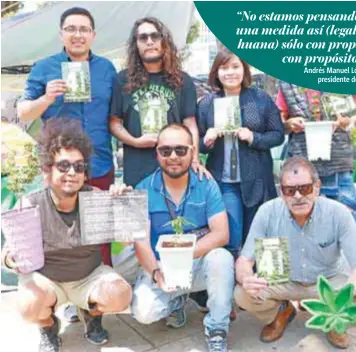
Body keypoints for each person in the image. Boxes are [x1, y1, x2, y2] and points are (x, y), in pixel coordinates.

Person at [1, 118, 133, 352]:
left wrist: (122, 204)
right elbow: (7, 256)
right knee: (28, 305)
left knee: (120, 294)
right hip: (47, 281)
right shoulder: (30, 204)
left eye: (79, 167)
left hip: (89, 276)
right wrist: (12, 258)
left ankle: (91, 313)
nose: (72, 172)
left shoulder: (96, 198)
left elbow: (124, 241)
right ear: (47, 170)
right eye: (63, 166)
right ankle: (48, 326)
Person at [17, 6, 116, 268]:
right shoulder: (44, 68)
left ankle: (99, 298)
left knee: (100, 234)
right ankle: (63, 296)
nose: (77, 34)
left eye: (83, 29)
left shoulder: (107, 69)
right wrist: (47, 98)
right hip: (61, 168)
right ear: (61, 34)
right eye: (71, 29)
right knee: (59, 232)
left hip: (100, 163)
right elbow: (24, 112)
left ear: (93, 35)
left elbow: (116, 115)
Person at [131, 124, 234, 352]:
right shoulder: (143, 189)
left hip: (197, 263)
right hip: (162, 267)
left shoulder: (206, 184)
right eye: (165, 151)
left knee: (222, 259)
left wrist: (181, 253)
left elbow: (221, 233)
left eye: (180, 150)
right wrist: (157, 273)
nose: (173, 157)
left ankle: (217, 328)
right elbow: (140, 242)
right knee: (144, 312)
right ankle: (176, 300)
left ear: (192, 151)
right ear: (156, 153)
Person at [234, 156, 356, 349]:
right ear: (281, 192)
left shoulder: (338, 213)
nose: (298, 196)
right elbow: (244, 261)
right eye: (290, 191)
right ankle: (282, 311)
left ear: (317, 187)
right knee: (242, 294)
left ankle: (334, 321)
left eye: (305, 188)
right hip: (284, 281)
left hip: (329, 282)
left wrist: (344, 297)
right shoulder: (267, 212)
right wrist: (247, 278)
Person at [198, 49, 285, 257]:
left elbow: (278, 135)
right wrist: (206, 140)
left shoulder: (260, 99)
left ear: (244, 70)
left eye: (235, 67)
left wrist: (254, 137)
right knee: (232, 237)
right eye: (224, 67)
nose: (230, 72)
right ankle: (234, 284)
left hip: (257, 179)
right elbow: (197, 143)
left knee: (260, 236)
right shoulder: (207, 104)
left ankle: (263, 285)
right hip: (225, 181)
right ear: (216, 72)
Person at [110, 17, 209, 189]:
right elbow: (114, 123)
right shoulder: (122, 80)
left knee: (177, 215)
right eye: (143, 37)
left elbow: (190, 123)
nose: (149, 42)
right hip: (137, 167)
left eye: (155, 36)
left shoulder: (183, 80)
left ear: (164, 41)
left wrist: (194, 159)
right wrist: (136, 141)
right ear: (136, 45)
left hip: (176, 163)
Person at [277, 82, 356, 220]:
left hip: (338, 164)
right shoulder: (287, 82)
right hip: (302, 165)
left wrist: (348, 121)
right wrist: (289, 124)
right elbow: (279, 118)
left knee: (346, 219)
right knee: (305, 222)